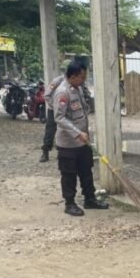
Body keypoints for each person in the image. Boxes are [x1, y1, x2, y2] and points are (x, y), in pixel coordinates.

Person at [53, 60, 109, 217]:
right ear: (73, 76)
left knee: (86, 171)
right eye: (82, 77)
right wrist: (77, 132)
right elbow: (59, 118)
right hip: (68, 143)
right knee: (69, 174)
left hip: (82, 141)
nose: (84, 80)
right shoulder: (62, 92)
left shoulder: (77, 89)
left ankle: (90, 199)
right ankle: (69, 204)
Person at [39, 72, 66, 163]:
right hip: (53, 110)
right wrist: (55, 106)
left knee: (64, 131)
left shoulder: (72, 82)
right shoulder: (57, 81)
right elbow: (47, 95)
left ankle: (61, 153)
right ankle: (45, 152)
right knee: (50, 131)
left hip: (65, 110)